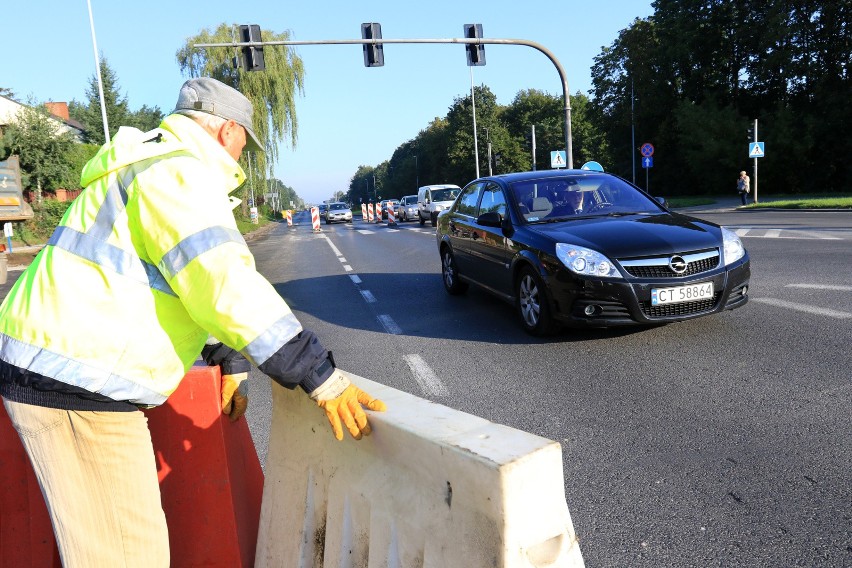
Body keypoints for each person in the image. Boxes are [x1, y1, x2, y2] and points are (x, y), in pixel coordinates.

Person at [0, 77, 386, 567]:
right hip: (76, 384)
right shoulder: (180, 175)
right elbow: (222, 283)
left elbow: (161, 284)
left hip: (65, 371)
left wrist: (225, 355)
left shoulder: (151, 165)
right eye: (246, 141)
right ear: (227, 130)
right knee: (127, 557)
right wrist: (319, 375)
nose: (244, 154)